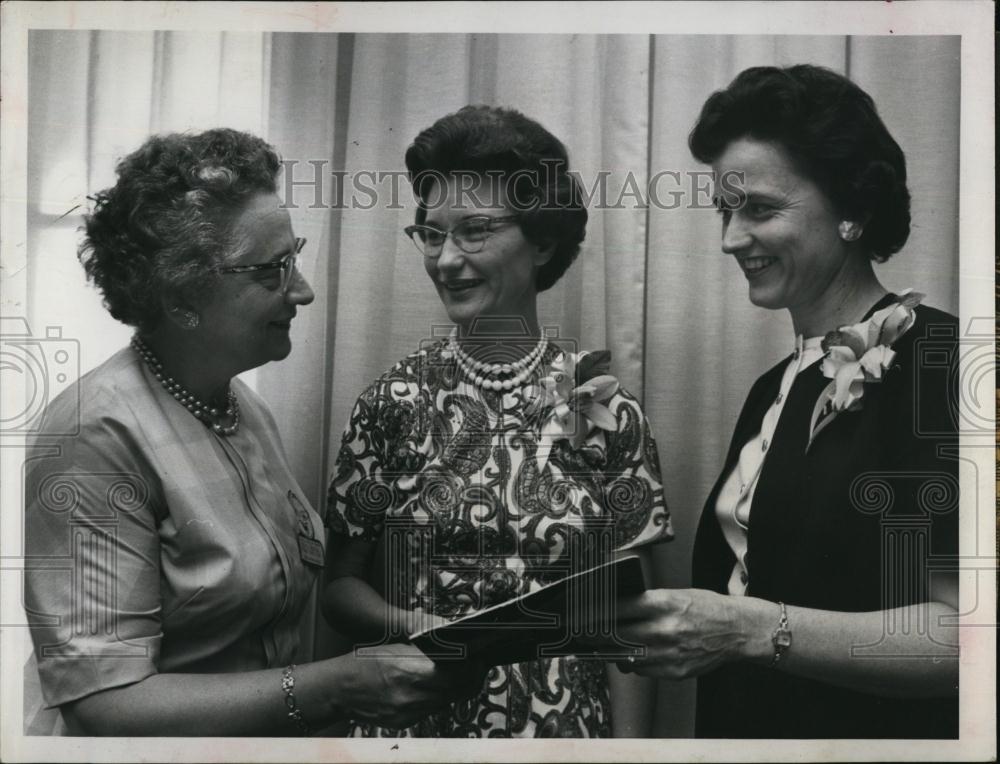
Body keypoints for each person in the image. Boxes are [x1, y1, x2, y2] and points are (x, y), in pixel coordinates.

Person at [23, 128, 480, 736]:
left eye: (296, 257)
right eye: (273, 270)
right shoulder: (94, 434)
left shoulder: (242, 409)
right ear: (182, 294)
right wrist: (338, 686)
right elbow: (103, 701)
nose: (304, 290)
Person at [603, 65, 960, 739]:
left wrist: (753, 631)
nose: (730, 240)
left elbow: (969, 639)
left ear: (853, 209)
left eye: (760, 209)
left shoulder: (939, 361)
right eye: (725, 211)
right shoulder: (775, 386)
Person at [323, 105, 673, 738]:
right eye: (432, 234)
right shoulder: (391, 401)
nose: (446, 259)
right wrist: (414, 627)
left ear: (541, 240)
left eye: (474, 231)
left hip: (562, 732)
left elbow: (629, 618)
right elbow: (339, 586)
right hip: (418, 723)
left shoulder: (603, 407)